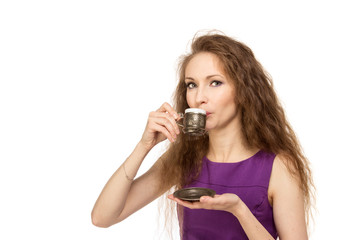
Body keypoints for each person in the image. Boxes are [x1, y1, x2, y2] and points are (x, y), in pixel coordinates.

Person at [91, 32, 315, 239]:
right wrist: (143, 146)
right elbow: (102, 217)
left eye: (215, 83)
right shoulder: (183, 160)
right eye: (191, 85)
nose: (199, 97)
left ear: (244, 91)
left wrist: (239, 210)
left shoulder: (279, 167)